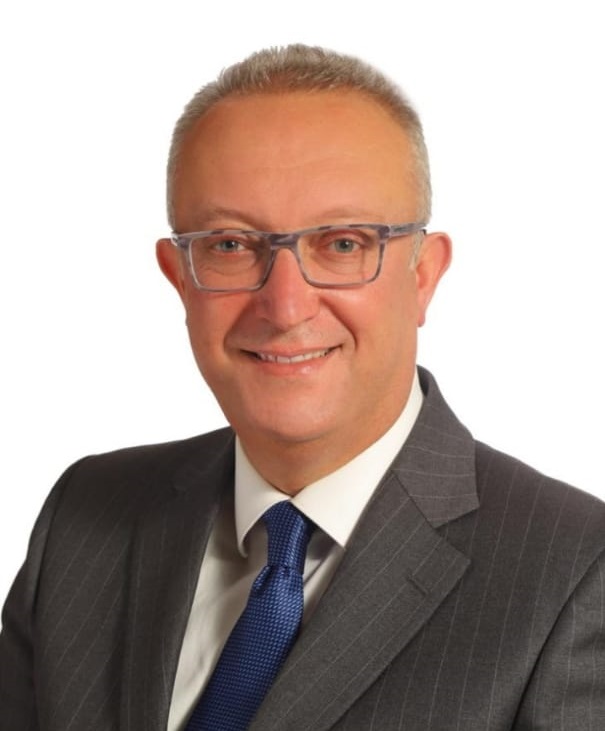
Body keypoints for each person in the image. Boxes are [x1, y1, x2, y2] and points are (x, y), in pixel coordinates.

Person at [1, 44, 604, 731]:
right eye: (231, 245)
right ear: (179, 276)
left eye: (343, 243)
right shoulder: (84, 517)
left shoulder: (574, 573)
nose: (285, 306)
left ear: (422, 276)